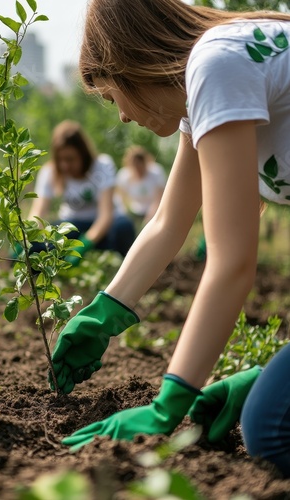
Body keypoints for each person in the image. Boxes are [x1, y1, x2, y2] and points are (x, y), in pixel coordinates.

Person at [47, 0, 290, 477]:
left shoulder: (217, 65)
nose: (119, 118)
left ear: (130, 64)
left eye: (111, 97)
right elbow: (168, 222)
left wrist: (170, 404)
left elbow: (232, 263)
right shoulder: (211, 77)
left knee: (271, 429)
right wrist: (104, 312)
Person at [28, 120, 136, 264]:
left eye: (70, 159)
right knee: (41, 246)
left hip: (106, 227)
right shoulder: (49, 172)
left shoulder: (102, 166)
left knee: (124, 229)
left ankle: (124, 266)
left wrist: (85, 245)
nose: (65, 165)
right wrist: (27, 237)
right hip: (71, 225)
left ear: (83, 154)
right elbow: (38, 213)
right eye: (61, 160)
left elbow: (106, 215)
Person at [115, 145, 166, 229]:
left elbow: (160, 197)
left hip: (155, 211)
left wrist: (151, 216)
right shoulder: (124, 176)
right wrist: (124, 214)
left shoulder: (156, 172)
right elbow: (120, 198)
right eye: (134, 166)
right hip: (135, 211)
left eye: (139, 165)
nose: (137, 169)